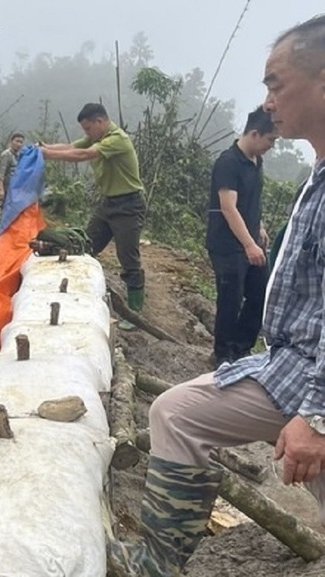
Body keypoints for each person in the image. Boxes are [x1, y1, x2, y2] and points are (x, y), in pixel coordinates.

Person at [109, 14, 325, 576]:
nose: (268, 100)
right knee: (178, 411)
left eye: (276, 83)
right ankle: (154, 561)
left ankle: (153, 564)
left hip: (309, 377)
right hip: (291, 364)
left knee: (178, 413)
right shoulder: (313, 176)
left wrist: (316, 418)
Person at [38, 103, 146, 318]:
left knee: (128, 257)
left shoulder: (117, 139)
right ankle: (79, 293)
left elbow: (83, 155)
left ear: (100, 121)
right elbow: (71, 147)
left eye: (88, 128)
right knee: (86, 245)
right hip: (109, 203)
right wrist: (44, 148)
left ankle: (135, 310)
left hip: (129, 205)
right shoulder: (97, 137)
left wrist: (47, 154)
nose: (86, 133)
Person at [206, 106, 278, 368]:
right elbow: (228, 207)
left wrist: (257, 228)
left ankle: (241, 348)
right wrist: (248, 244)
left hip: (250, 240)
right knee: (230, 298)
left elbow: (251, 201)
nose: (271, 146)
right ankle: (223, 354)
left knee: (261, 293)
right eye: (271, 140)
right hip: (227, 245)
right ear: (255, 133)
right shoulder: (228, 162)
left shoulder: (256, 161)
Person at [0, 132, 25, 206]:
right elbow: (0, 173)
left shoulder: (18, 156)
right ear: (11, 141)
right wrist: (1, 190)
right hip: (6, 189)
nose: (19, 144)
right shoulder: (6, 154)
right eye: (17, 141)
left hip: (13, 189)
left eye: (21, 142)